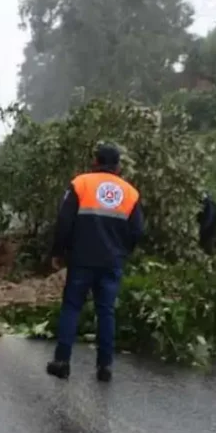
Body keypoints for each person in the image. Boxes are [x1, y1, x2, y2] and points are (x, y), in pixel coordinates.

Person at [47, 144, 144, 382]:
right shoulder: (130, 193)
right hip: (112, 262)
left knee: (71, 307)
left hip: (82, 259)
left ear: (95, 162)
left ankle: (62, 361)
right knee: (106, 312)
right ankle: (105, 367)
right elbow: (137, 231)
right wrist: (122, 253)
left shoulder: (81, 184)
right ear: (118, 166)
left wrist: (58, 251)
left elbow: (64, 221)